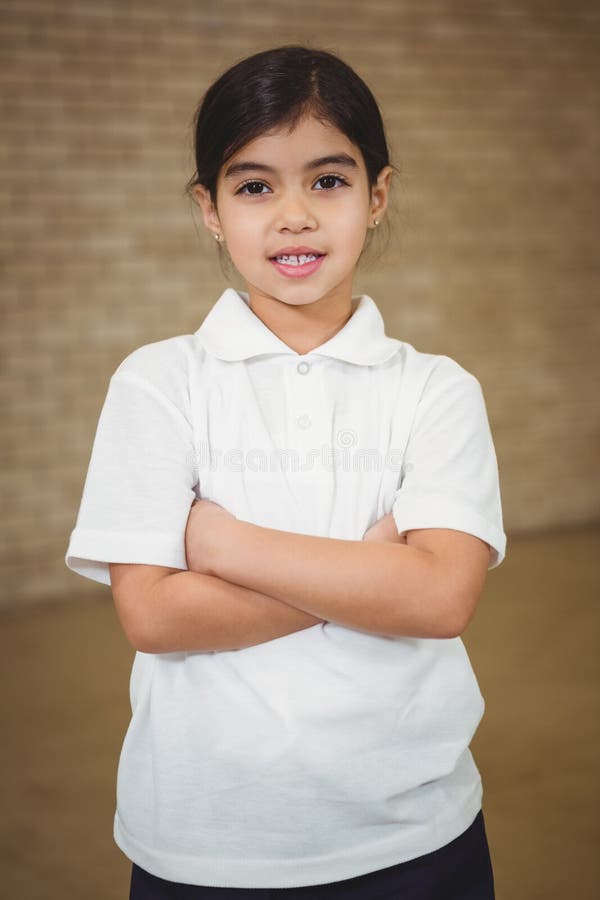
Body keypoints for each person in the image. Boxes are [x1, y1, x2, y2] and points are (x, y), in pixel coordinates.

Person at [65, 45, 506, 900]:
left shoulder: (436, 389)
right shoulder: (158, 382)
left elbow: (440, 600)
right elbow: (154, 615)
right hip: (203, 841)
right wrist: (370, 567)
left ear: (377, 196)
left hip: (415, 832)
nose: (294, 216)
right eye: (255, 185)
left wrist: (222, 541)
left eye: (330, 181)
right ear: (210, 208)